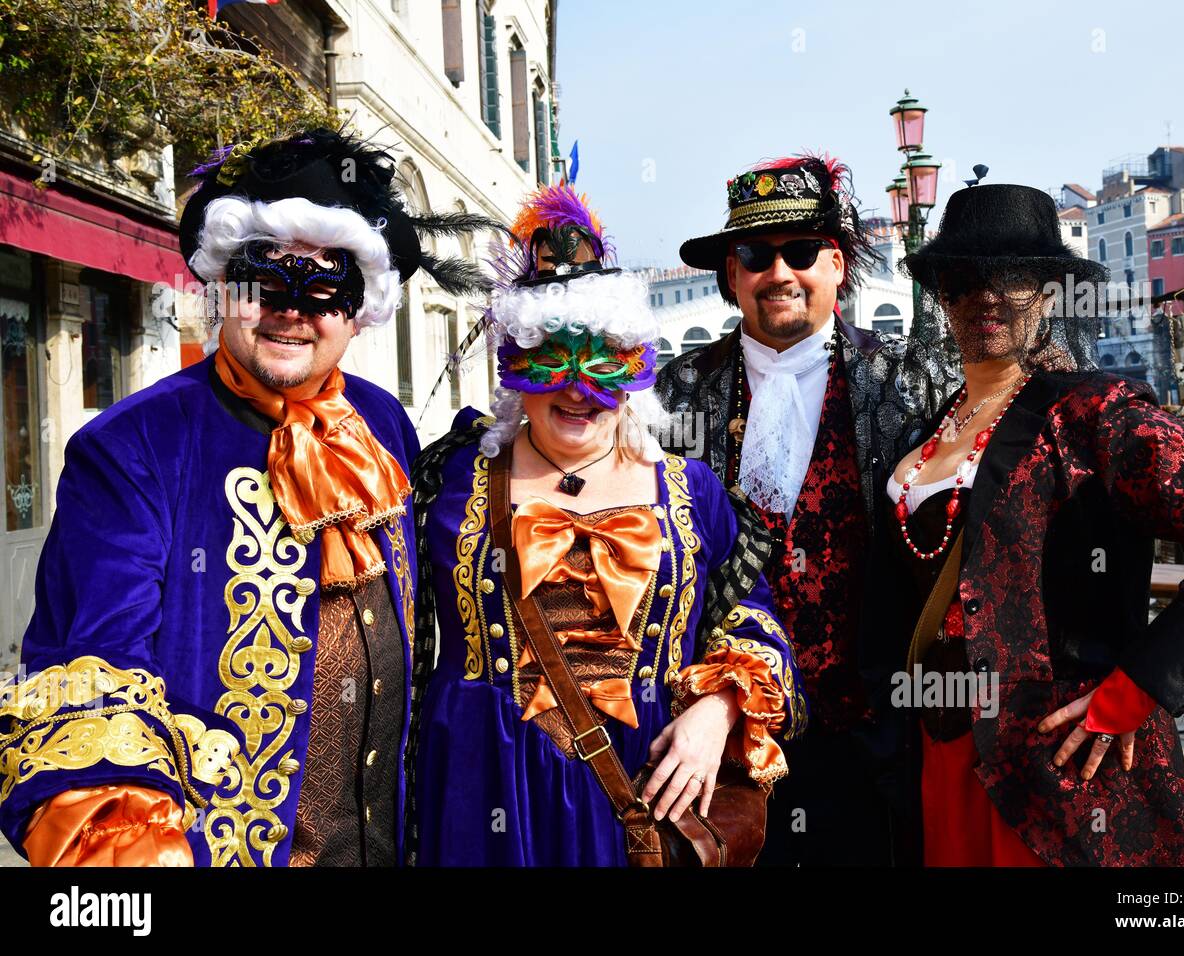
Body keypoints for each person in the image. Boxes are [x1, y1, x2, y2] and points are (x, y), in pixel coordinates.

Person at [0, 128, 492, 866]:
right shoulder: (134, 447)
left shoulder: (382, 422)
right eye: (262, 283)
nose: (291, 312)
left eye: (325, 288)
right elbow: (91, 672)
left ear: (359, 310)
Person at [866, 182, 1184, 866]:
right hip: (942, 752)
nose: (988, 297)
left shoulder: (1094, 415)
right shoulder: (922, 436)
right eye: (964, 279)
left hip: (1064, 763)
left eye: (1013, 278)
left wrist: (1140, 685)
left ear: (1048, 293)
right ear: (940, 294)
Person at [405, 186, 805, 865]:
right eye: (551, 360)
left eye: (604, 363)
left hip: (645, 791)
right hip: (482, 798)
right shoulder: (447, 481)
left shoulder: (691, 492)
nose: (577, 390)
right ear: (515, 369)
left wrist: (720, 710)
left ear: (636, 372)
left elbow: (752, 614)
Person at [656, 154, 957, 865]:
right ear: (732, 275)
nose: (779, 273)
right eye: (756, 255)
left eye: (799, 252)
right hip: (719, 740)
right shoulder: (672, 398)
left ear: (837, 265)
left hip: (872, 742)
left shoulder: (913, 385)